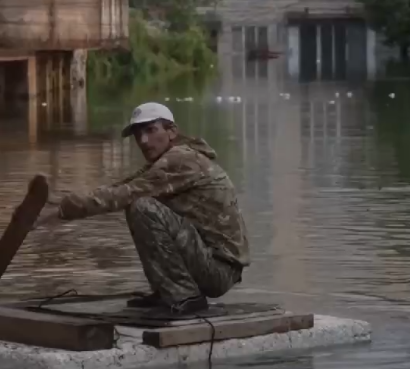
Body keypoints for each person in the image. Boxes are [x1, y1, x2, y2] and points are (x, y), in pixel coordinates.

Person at [36, 102, 250, 315]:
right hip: (207, 260)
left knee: (142, 207)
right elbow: (121, 187)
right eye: (138, 134)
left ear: (172, 131)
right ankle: (168, 291)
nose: (143, 141)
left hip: (219, 269)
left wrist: (61, 213)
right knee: (140, 203)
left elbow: (124, 194)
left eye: (150, 130)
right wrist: (55, 202)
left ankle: (185, 296)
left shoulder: (181, 159)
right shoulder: (168, 160)